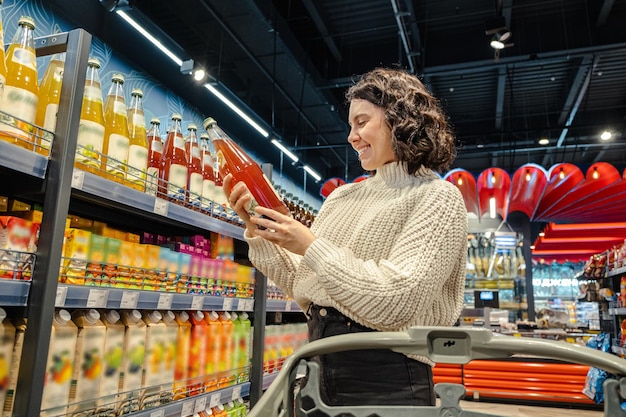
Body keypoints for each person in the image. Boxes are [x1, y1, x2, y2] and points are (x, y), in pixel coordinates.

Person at [224, 67, 468, 408]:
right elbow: (303, 283)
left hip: (386, 378)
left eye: (362, 122)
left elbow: (399, 300)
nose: (352, 137)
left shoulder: (437, 198)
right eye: (351, 126)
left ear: (401, 120)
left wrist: (309, 244)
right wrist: (260, 230)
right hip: (315, 366)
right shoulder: (341, 198)